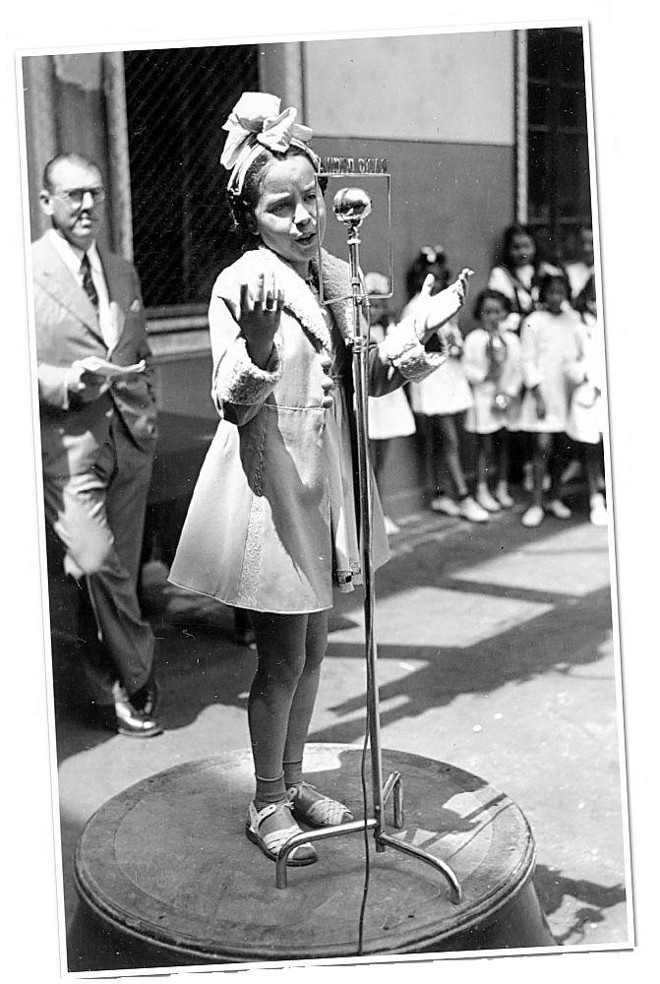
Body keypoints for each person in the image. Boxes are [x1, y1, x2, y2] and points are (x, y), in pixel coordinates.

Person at [169, 92, 472, 866]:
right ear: (251, 215)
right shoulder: (241, 283)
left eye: (310, 199)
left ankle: (294, 778)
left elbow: (366, 379)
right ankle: (266, 802)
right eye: (283, 206)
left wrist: (422, 333)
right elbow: (232, 400)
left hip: (328, 481)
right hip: (275, 486)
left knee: (315, 651)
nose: (305, 217)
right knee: (281, 657)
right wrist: (263, 346)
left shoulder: (334, 272)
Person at [33, 153, 162, 738]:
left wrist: (147, 409)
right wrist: (65, 383)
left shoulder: (122, 270)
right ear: (46, 203)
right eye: (73, 195)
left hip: (130, 438)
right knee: (92, 558)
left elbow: (141, 352)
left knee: (120, 571)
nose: (87, 206)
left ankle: (111, 688)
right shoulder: (22, 270)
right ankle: (138, 672)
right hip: (66, 442)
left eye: (95, 194)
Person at [403, 247, 487, 522]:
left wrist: (456, 346)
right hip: (432, 381)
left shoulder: (446, 302)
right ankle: (463, 496)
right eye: (430, 277)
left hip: (450, 378)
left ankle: (441, 495)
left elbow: (453, 337)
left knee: (444, 441)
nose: (435, 282)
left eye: (439, 277)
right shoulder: (415, 307)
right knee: (447, 438)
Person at [518, 272, 581, 528]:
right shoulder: (534, 321)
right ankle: (535, 503)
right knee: (542, 447)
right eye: (551, 292)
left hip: (566, 392)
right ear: (543, 294)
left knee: (561, 448)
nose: (556, 297)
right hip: (543, 393)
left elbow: (577, 354)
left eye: (561, 291)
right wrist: (537, 394)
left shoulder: (573, 319)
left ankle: (555, 497)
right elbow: (527, 360)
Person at [365, 271, 416, 536]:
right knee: (366, 461)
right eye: (370, 304)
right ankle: (369, 515)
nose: (375, 310)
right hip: (367, 401)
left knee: (380, 462)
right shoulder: (358, 330)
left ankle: (380, 511)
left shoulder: (389, 330)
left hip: (386, 399)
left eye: (380, 305)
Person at [463, 289, 523, 511]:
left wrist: (509, 392)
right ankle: (482, 489)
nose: (492, 317)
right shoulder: (474, 339)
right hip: (483, 397)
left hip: (505, 397)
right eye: (487, 312)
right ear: (480, 313)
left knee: (504, 444)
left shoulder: (511, 340)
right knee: (484, 446)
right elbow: (468, 368)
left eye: (497, 312)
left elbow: (517, 369)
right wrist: (484, 376)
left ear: (505, 313)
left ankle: (502, 487)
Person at [566, 274, 608, 526]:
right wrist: (588, 376)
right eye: (592, 299)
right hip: (591, 396)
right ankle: (595, 499)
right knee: (592, 449)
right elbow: (569, 364)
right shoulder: (579, 328)